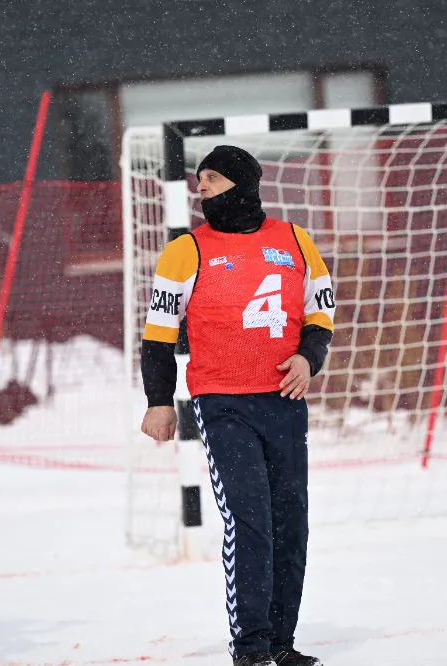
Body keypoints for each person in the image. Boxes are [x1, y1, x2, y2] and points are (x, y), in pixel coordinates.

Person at [140, 146, 335, 666]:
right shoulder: (184, 250)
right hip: (222, 402)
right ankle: (250, 648)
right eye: (198, 178)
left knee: (291, 523)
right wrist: (159, 401)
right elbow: (157, 337)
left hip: (285, 401)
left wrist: (307, 359)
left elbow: (320, 314)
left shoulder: (296, 240)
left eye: (212, 178)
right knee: (250, 520)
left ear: (243, 184)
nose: (200, 187)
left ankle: (280, 643)